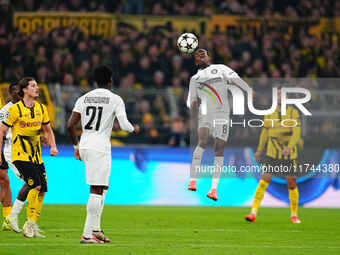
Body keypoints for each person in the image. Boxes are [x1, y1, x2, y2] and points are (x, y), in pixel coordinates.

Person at [67, 65, 139, 244]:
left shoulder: (84, 98)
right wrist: (135, 129)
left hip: (85, 144)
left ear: (95, 81)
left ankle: (96, 229)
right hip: (100, 147)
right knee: (96, 189)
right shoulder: (115, 99)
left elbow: (70, 125)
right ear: (110, 81)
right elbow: (124, 125)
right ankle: (87, 235)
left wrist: (76, 146)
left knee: (102, 188)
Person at [187, 48, 249, 201]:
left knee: (219, 148)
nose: (201, 56)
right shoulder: (195, 78)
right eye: (198, 55)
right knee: (202, 141)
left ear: (208, 57)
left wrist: (248, 90)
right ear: (196, 61)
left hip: (222, 114)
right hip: (205, 113)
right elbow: (192, 101)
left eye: (204, 54)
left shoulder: (221, 69)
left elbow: (236, 80)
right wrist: (194, 120)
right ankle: (192, 180)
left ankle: (213, 189)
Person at [0, 77, 58, 238]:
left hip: (36, 156)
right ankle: (27, 224)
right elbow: (2, 131)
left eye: (37, 85)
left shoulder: (41, 108)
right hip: (18, 155)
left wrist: (53, 145)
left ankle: (26, 221)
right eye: (33, 86)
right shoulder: (12, 110)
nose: (37, 88)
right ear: (24, 90)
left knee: (42, 190)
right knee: (35, 185)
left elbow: (47, 130)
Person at [244, 87, 302, 224]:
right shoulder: (269, 114)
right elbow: (265, 133)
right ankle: (253, 213)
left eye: (283, 95)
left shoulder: (293, 113)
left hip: (288, 155)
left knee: (291, 183)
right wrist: (259, 150)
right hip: (272, 154)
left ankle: (294, 214)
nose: (281, 98)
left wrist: (289, 147)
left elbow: (296, 133)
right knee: (264, 180)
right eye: (279, 95)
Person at [0, 82, 21, 230]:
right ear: (10, 93)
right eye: (14, 91)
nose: (17, 93)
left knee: (5, 182)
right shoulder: (5, 110)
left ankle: (7, 218)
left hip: (21, 148)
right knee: (4, 180)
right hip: (6, 147)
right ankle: (8, 218)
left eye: (19, 91)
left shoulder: (25, 108)